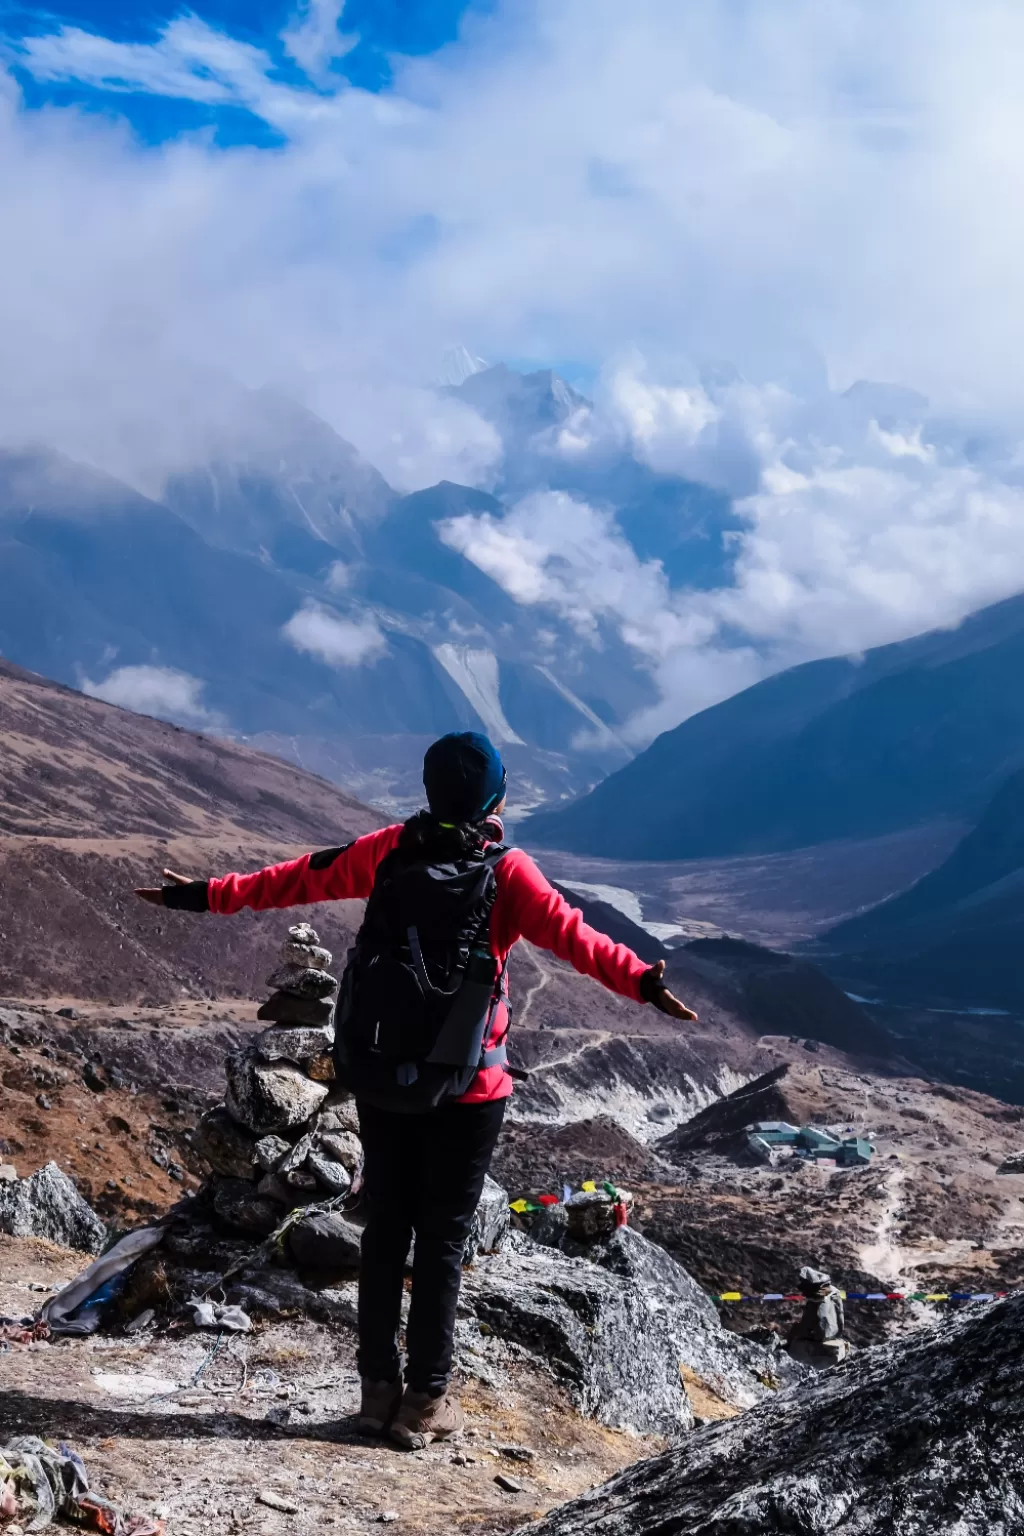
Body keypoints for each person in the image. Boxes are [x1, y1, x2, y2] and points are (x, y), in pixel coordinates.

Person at [136, 731, 698, 1449]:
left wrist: (202, 897)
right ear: (496, 794)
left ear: (431, 788)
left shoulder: (390, 849)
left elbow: (299, 876)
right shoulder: (508, 872)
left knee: (385, 1231)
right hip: (471, 1086)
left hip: (379, 1072)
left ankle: (376, 1394)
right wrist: (646, 984)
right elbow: (576, 938)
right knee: (442, 1243)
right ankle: (425, 1403)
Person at [786, 1266, 850, 1370]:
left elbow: (816, 1326)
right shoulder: (834, 1292)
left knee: (795, 1331)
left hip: (820, 1338)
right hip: (834, 1333)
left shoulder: (817, 1302)